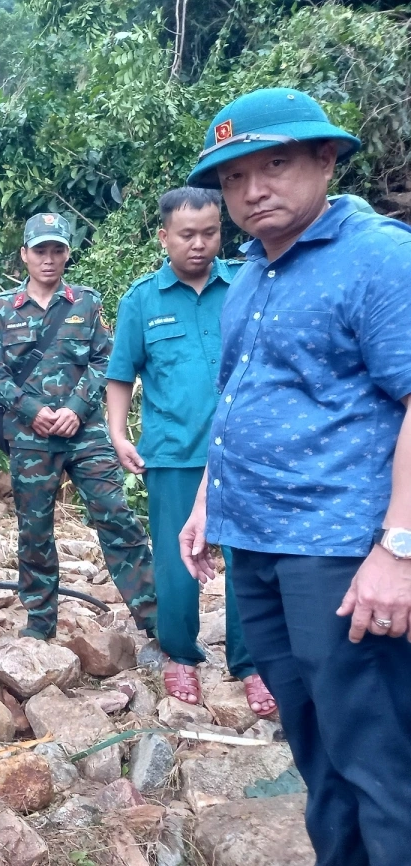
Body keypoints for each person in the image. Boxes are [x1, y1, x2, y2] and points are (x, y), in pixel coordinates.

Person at [181, 87, 411, 864]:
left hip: (339, 551)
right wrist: (207, 502)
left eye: (273, 166)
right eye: (234, 178)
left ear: (325, 158)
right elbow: (239, 396)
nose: (252, 190)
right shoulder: (252, 272)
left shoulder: (379, 256)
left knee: (377, 756)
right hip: (258, 546)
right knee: (314, 747)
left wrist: (399, 549)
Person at [106, 189, 275, 715]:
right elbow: (121, 374)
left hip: (244, 452)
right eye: (186, 235)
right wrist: (118, 434)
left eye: (209, 232)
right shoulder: (142, 300)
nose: (199, 244)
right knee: (176, 561)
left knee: (250, 559)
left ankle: (253, 663)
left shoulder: (247, 282)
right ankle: (180, 655)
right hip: (174, 453)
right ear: (164, 237)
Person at [0, 214, 156, 641]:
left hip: (86, 434)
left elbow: (105, 360)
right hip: (31, 436)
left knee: (115, 515)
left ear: (67, 254)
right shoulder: (1, 309)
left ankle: (157, 620)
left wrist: (77, 408)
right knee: (34, 530)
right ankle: (40, 623)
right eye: (40, 250)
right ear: (25, 254)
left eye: (57, 250)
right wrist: (31, 410)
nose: (48, 258)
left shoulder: (86, 303)